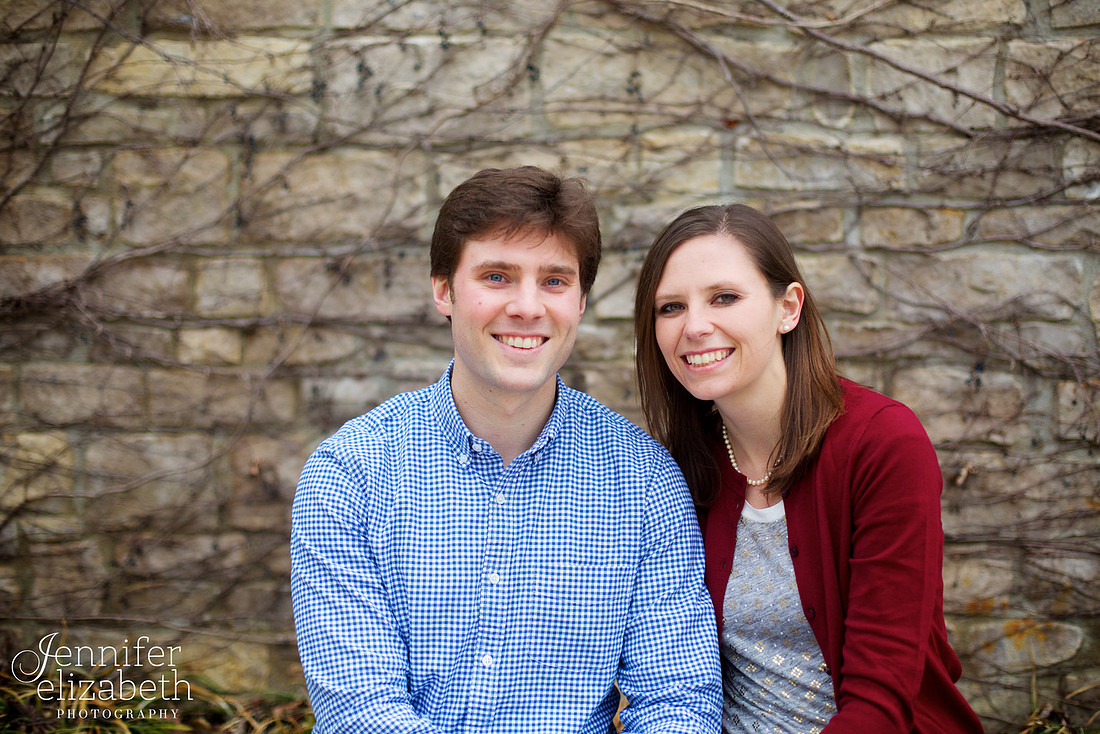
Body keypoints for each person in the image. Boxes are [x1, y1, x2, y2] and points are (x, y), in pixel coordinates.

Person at [290, 166, 721, 733]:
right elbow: (361, 714)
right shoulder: (351, 476)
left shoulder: (643, 481)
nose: (527, 307)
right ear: (443, 290)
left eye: (554, 281)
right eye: (497, 276)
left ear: (581, 301)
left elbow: (678, 703)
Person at [632, 203, 984, 733]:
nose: (695, 326)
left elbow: (882, 695)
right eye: (671, 307)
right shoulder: (676, 466)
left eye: (724, 297)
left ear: (788, 308)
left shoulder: (882, 444)